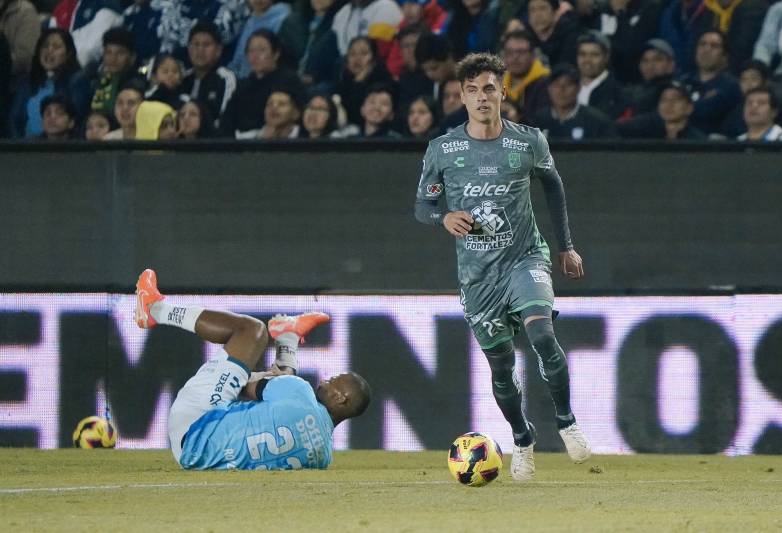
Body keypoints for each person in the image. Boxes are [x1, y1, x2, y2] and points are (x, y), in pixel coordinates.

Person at [413, 52, 591, 481]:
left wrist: (565, 247)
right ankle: (522, 438)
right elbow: (423, 205)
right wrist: (444, 217)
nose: (481, 97)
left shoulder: (528, 142)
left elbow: (553, 185)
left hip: (525, 258)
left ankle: (567, 423)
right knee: (501, 368)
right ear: (461, 97)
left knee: (542, 333)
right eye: (472, 90)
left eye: (489, 88)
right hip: (478, 277)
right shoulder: (443, 149)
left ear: (502, 92)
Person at [133, 269, 371, 470]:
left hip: (195, 423)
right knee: (281, 391)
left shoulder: (301, 393)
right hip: (197, 459)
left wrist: (273, 375)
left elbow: (244, 386)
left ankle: (155, 309)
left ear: (340, 398)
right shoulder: (323, 457)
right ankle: (287, 334)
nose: (325, 381)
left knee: (253, 332)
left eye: (333, 381)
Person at [531, 63, 617, 140]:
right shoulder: (538, 121)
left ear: (578, 88)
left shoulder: (597, 122)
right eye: (556, 85)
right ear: (549, 89)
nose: (561, 90)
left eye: (568, 84)